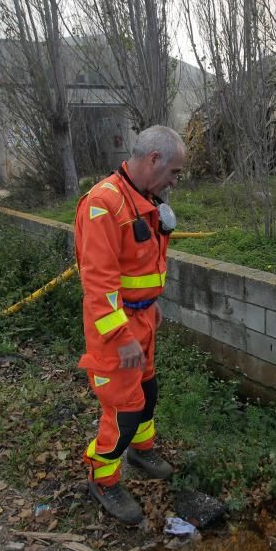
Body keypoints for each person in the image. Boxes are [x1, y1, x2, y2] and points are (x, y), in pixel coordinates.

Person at [73, 125, 185, 524]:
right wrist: (121, 336)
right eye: (174, 171)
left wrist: (151, 305)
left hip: (142, 319)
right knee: (123, 412)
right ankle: (102, 479)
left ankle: (142, 449)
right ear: (153, 159)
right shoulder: (104, 204)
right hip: (115, 331)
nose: (175, 180)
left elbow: (142, 265)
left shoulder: (145, 198)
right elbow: (98, 282)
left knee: (147, 393)